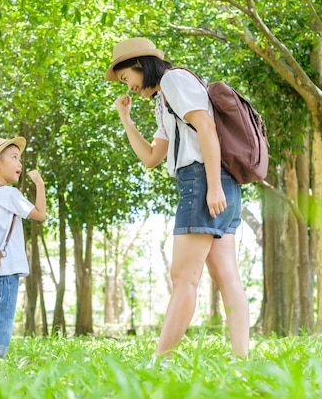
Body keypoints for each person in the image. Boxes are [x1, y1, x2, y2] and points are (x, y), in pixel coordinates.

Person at [106, 37, 249, 359]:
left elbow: (207, 129)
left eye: (127, 78)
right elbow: (152, 157)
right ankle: (242, 359)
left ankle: (159, 361)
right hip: (219, 182)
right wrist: (125, 120)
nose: (128, 88)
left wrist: (212, 186)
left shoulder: (173, 80)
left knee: (183, 277)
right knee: (226, 276)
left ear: (140, 64)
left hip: (203, 180)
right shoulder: (164, 100)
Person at [0, 135, 46, 362]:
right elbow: (39, 215)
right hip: (5, 272)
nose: (20, 164)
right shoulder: (9, 193)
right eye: (14, 158)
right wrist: (40, 185)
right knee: (0, 322)